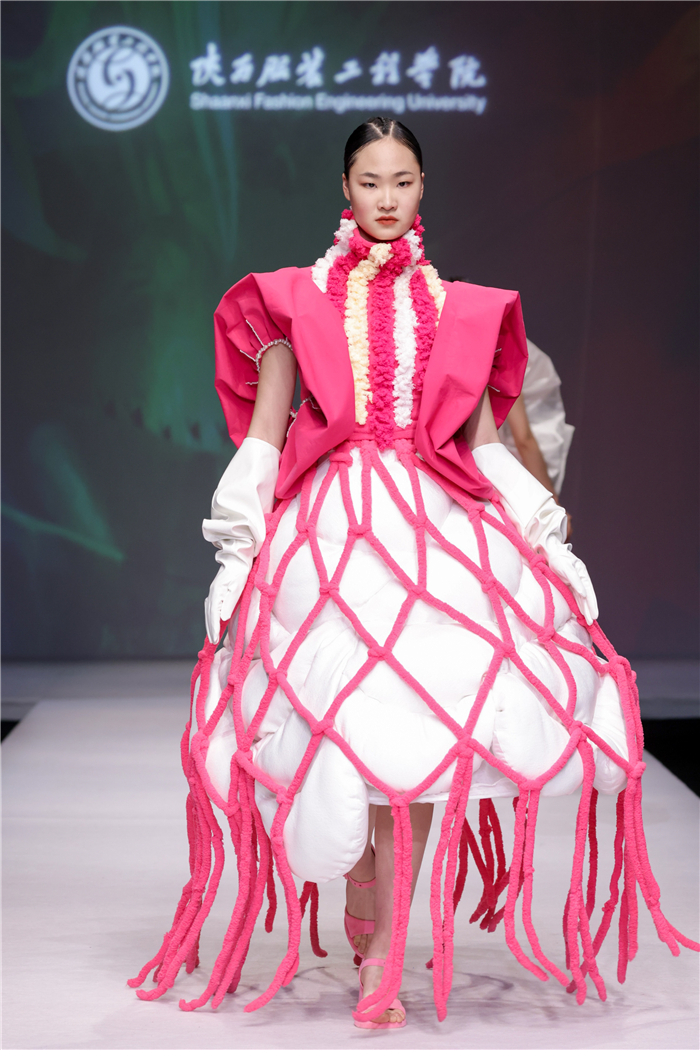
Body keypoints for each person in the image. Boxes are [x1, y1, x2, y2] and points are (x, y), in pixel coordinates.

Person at [130, 117, 697, 1029]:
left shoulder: (463, 311)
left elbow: (483, 443)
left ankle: (386, 954)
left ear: (424, 186)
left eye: (402, 181)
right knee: (342, 724)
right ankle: (365, 889)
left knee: (426, 736)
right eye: (370, 181)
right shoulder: (292, 302)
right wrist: (236, 549)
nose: (386, 198)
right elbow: (267, 435)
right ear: (344, 190)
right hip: (332, 532)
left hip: (438, 530)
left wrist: (546, 537)